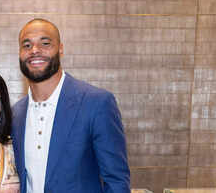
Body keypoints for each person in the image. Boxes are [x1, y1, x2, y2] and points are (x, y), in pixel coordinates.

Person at [11, 19, 131, 193]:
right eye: (27, 45)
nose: (35, 50)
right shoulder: (16, 114)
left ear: (60, 48)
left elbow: (117, 182)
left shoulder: (97, 104)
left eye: (45, 43)